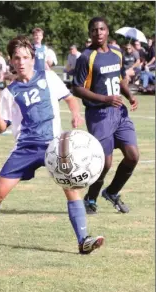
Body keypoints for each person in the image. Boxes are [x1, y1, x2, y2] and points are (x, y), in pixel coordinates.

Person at [0, 35, 104, 255]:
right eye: (16, 58)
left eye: (25, 57)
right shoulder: (9, 92)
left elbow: (69, 98)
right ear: (11, 61)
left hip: (55, 147)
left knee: (71, 189)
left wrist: (76, 114)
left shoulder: (48, 77)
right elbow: (1, 127)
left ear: (32, 58)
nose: (20, 62)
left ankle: (83, 240)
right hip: (25, 149)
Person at [72, 17, 139, 215]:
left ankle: (112, 192)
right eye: (94, 30)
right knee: (105, 163)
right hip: (98, 114)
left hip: (119, 112)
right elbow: (76, 88)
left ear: (107, 31)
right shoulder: (86, 57)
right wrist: (105, 99)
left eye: (101, 29)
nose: (98, 32)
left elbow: (119, 78)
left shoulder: (116, 52)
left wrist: (129, 95)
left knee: (133, 156)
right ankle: (90, 198)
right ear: (90, 33)